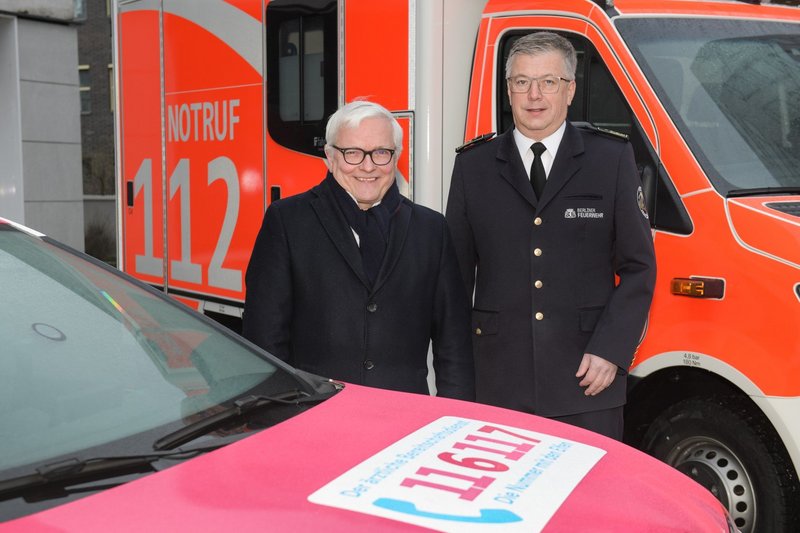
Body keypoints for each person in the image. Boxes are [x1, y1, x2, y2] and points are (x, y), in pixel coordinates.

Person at [445, 32, 656, 439]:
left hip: (587, 383)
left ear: (570, 89)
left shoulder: (610, 158)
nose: (534, 95)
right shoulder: (474, 166)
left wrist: (611, 351)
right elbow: (454, 279)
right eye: (522, 81)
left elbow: (639, 267)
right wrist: (458, 380)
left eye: (549, 81)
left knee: (591, 500)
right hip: (497, 385)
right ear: (508, 90)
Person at [243, 100, 475, 401]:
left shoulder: (432, 230)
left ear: (396, 157)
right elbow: (265, 340)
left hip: (406, 421)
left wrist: (452, 418)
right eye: (352, 153)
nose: (368, 166)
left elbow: (454, 345)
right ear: (329, 157)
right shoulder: (287, 222)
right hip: (317, 419)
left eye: (381, 153)